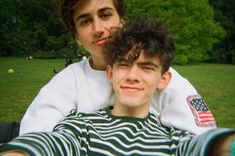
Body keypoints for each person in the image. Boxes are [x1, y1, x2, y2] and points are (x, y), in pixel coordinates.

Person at [0, 16, 234, 156]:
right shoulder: (82, 126)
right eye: (124, 65)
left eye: (146, 67)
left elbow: (205, 146)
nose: (133, 76)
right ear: (110, 73)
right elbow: (49, 144)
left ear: (163, 79)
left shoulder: (174, 139)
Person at [19, 0, 216, 136]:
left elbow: (202, 136)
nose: (98, 29)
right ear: (77, 37)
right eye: (85, 21)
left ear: (121, 21)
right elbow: (35, 136)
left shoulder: (163, 78)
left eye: (105, 15)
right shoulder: (67, 82)